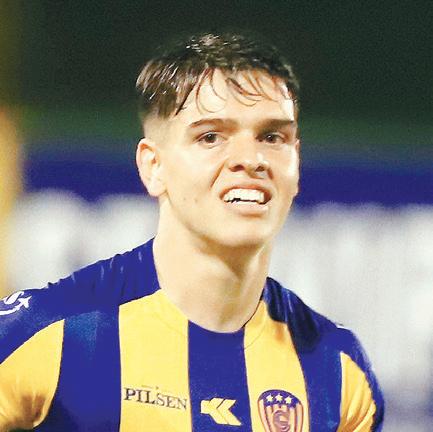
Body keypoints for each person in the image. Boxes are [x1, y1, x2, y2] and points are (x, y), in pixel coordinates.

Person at [0, 32, 384, 431]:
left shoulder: (339, 373)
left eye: (272, 137)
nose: (250, 159)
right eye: (211, 137)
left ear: (296, 162)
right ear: (153, 166)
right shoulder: (47, 333)